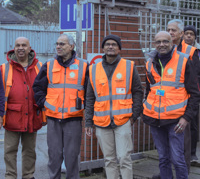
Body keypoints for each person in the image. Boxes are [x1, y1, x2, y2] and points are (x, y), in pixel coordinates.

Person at [85, 34, 143, 179]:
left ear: (119, 48)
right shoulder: (93, 69)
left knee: (124, 157)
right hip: (101, 121)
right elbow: (90, 97)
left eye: (114, 44)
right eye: (107, 44)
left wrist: (134, 116)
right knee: (109, 159)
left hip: (123, 120)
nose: (110, 46)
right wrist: (88, 121)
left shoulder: (129, 66)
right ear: (103, 48)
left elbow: (138, 91)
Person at [143, 31, 199, 179]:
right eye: (158, 42)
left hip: (176, 120)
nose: (162, 44)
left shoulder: (184, 60)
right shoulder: (149, 62)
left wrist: (186, 118)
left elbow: (194, 93)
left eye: (165, 41)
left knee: (178, 159)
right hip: (155, 119)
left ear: (172, 42)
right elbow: (149, 90)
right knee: (163, 158)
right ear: (154, 44)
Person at [33, 33, 89, 179]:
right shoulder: (49, 65)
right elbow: (38, 88)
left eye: (62, 44)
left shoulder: (83, 66)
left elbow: (90, 92)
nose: (58, 46)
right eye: (57, 44)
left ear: (72, 46)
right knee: (54, 156)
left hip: (74, 119)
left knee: (72, 157)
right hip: (53, 119)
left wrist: (86, 110)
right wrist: (44, 104)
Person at [0, 37, 45, 179]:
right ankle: (10, 176)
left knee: (30, 151)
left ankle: (28, 175)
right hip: (12, 117)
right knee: (9, 150)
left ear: (29, 48)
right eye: (17, 45)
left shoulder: (40, 67)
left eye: (24, 45)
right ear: (13, 48)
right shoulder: (4, 68)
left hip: (32, 116)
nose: (20, 48)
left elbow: (45, 92)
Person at [183, 25, 200, 162]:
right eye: (187, 33)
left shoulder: (197, 52)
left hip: (194, 93)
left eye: (192, 34)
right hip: (181, 93)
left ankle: (192, 153)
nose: (189, 36)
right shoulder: (177, 50)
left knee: (193, 124)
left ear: (195, 37)